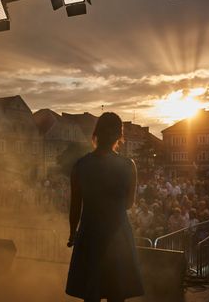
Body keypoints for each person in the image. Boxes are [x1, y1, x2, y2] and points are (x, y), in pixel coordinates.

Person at [66, 112, 144, 302]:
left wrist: (72, 233)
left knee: (91, 291)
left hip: (89, 234)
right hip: (117, 235)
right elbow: (128, 204)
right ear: (119, 136)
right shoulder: (128, 165)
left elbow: (75, 205)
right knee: (116, 291)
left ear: (96, 134)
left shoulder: (81, 165)